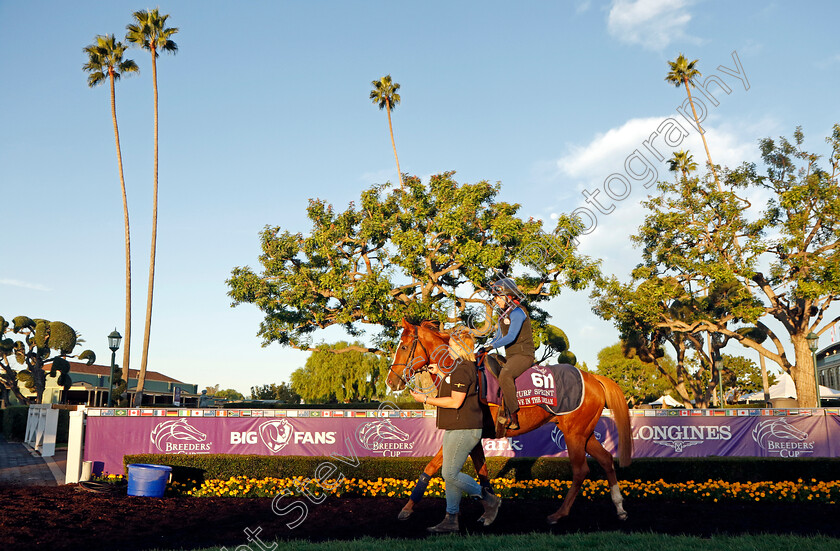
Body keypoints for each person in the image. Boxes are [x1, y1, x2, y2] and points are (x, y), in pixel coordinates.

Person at [409, 335, 501, 534]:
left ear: (459, 347)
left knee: (449, 474)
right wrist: (441, 374)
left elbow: (455, 402)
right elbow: (457, 388)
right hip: (457, 427)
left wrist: (425, 398)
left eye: (451, 345)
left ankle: (489, 500)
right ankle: (451, 519)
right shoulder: (465, 367)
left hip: (463, 429)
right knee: (450, 475)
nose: (448, 348)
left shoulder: (462, 369)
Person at [483, 277, 535, 431]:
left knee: (505, 375)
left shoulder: (518, 312)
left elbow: (511, 337)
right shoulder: (502, 315)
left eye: (498, 297)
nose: (496, 301)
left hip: (524, 355)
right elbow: (499, 337)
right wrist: (484, 347)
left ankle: (514, 416)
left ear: (509, 295)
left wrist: (492, 345)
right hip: (511, 356)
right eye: (495, 298)